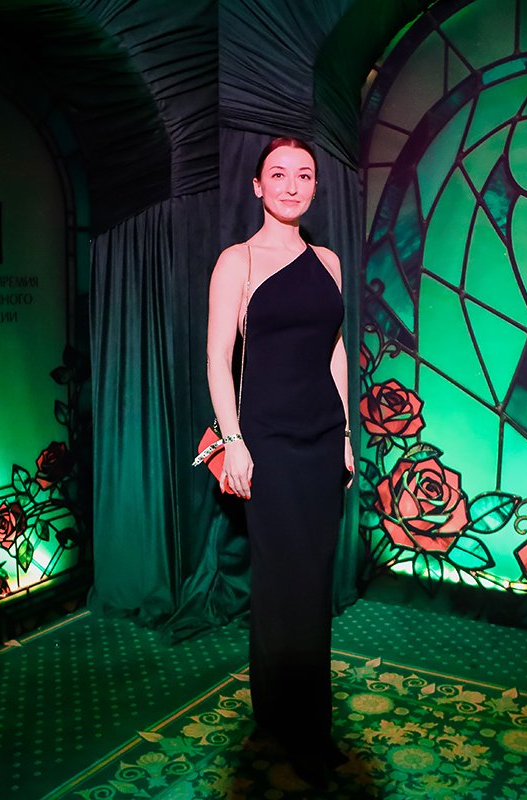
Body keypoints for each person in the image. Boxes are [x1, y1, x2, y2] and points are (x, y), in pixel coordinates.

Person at [205, 137, 354, 786]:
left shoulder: (329, 261)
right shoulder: (235, 261)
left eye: (304, 175)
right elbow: (218, 359)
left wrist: (345, 434)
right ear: (258, 186)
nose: (292, 185)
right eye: (279, 174)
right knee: (281, 580)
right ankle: (301, 728)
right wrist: (233, 441)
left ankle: (284, 708)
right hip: (266, 442)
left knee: (312, 584)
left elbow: (335, 351)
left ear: (315, 186)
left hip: (322, 441)